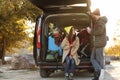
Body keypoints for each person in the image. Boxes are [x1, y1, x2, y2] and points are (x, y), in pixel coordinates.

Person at [91, 8, 108, 80]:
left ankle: (99, 75)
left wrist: (91, 32)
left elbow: (99, 31)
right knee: (93, 59)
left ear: (97, 15)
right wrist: (89, 13)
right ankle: (99, 73)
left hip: (100, 43)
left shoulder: (101, 21)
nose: (93, 17)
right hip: (97, 43)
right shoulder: (99, 21)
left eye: (94, 15)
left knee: (99, 60)